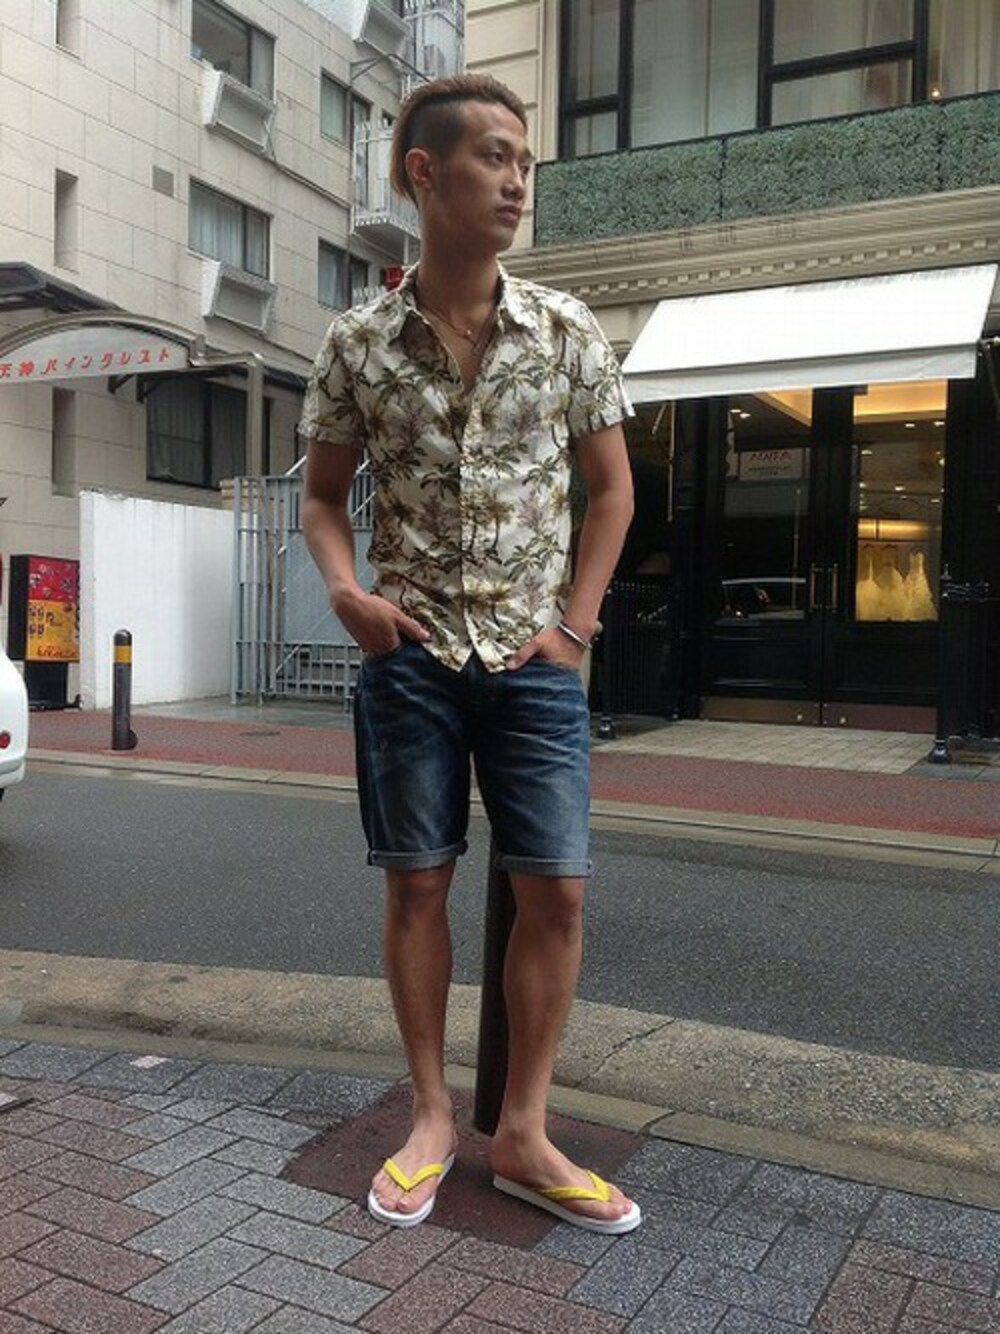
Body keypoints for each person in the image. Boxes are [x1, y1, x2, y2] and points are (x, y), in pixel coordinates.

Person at [299, 73, 639, 1235]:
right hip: (412, 653)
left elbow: (611, 491)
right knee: (418, 880)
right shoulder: (357, 342)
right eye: (494, 156)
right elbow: (323, 497)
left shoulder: (566, 329)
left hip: (537, 658)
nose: (515, 180)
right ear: (423, 173)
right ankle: (433, 1115)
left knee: (557, 887)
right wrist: (345, 591)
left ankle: (525, 1132)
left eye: (524, 162)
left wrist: (575, 627)